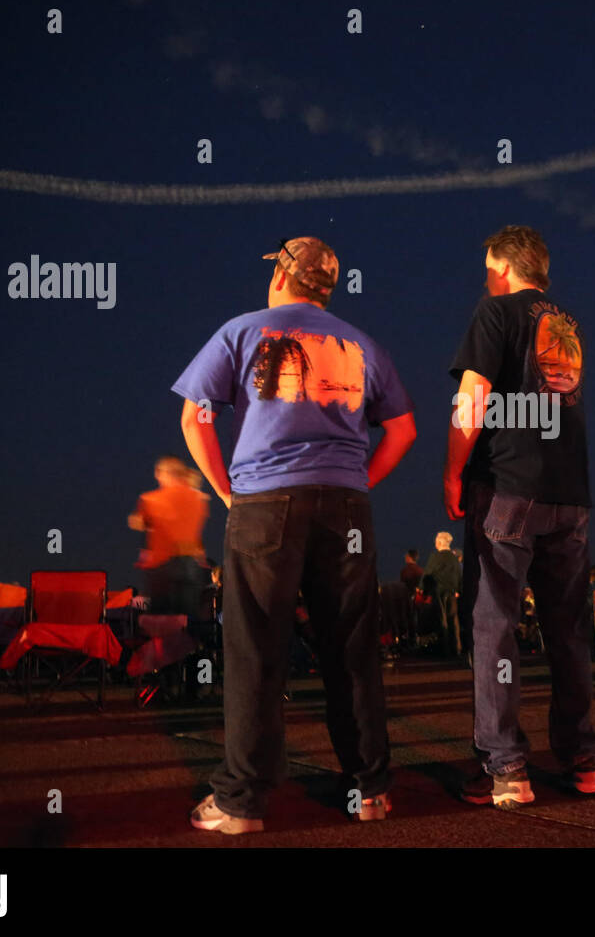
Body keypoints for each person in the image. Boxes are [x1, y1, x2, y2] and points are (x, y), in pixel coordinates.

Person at [175, 235, 416, 833]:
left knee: (256, 652)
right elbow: (404, 429)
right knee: (352, 650)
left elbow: (194, 416)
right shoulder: (361, 342)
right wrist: (357, 482)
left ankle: (241, 803)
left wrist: (228, 491)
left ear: (283, 274)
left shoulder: (241, 330)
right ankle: (370, 792)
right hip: (345, 507)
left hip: (264, 503)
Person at [444, 224, 595, 808]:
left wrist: (452, 472)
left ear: (505, 267)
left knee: (494, 626)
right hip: (571, 494)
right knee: (567, 629)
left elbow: (473, 398)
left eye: (488, 266)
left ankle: (506, 767)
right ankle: (584, 759)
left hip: (509, 486)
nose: (485, 277)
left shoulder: (497, 312)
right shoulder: (567, 326)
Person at [129, 455, 210, 625]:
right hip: (190, 564)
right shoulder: (199, 498)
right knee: (189, 620)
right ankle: (189, 650)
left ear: (163, 473)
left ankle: (163, 650)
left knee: (160, 620)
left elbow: (137, 522)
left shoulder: (150, 499)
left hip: (162, 565)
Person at [423, 532, 464, 656]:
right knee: (453, 619)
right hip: (452, 593)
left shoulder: (435, 557)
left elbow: (427, 575)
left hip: (438, 592)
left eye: (436, 541)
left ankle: (444, 649)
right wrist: (458, 590)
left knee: (442, 619)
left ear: (440, 542)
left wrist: (423, 590)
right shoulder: (453, 558)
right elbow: (459, 575)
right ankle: (457, 648)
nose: (435, 543)